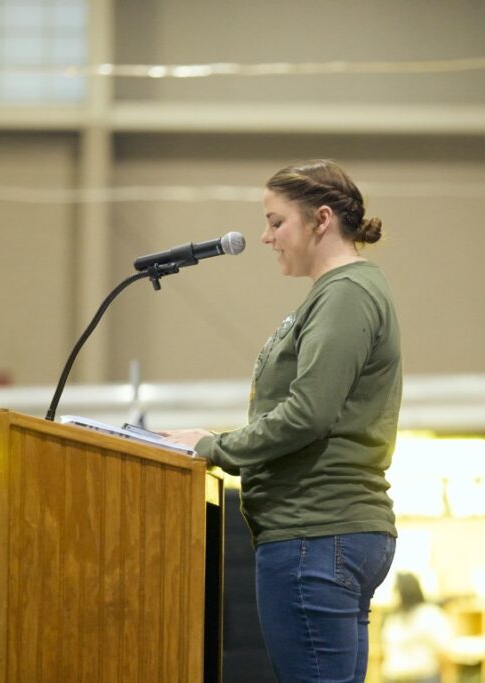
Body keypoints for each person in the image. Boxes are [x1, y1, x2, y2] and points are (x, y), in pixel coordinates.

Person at [161, 159, 401, 682]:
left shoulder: (346, 294)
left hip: (315, 531)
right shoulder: (339, 293)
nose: (266, 237)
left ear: (321, 219)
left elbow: (308, 413)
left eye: (276, 222)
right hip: (328, 532)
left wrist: (213, 446)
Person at [380, 572, 452, 683]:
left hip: (423, 678)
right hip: (393, 678)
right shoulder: (393, 619)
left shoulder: (430, 615)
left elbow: (444, 652)